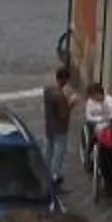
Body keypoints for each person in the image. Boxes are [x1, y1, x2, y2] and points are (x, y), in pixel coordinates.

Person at [41, 41, 79, 172]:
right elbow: (64, 115)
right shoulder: (60, 96)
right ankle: (54, 177)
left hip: (49, 126)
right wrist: (72, 104)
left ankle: (45, 173)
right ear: (64, 79)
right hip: (60, 129)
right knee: (58, 154)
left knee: (48, 151)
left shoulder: (47, 89)